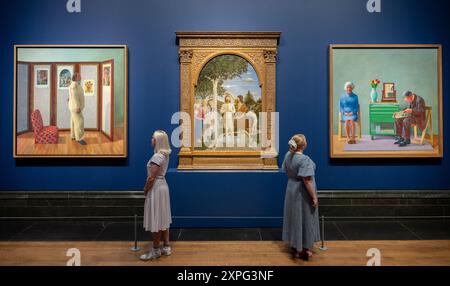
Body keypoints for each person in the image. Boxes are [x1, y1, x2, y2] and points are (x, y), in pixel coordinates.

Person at [282, 134, 320, 261]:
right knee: (305, 218)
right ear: (303, 145)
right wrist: (314, 197)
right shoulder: (304, 159)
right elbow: (307, 180)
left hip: (291, 189)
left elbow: (286, 170)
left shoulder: (288, 155)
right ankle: (303, 249)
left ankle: (294, 244)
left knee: (294, 217)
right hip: (302, 193)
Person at [140, 130, 172, 261]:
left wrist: (145, 189)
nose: (151, 140)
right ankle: (166, 246)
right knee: (163, 217)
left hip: (156, 188)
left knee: (156, 218)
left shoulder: (157, 156)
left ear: (158, 141)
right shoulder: (164, 155)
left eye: (153, 138)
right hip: (162, 185)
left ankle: (155, 250)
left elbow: (151, 178)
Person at [68, 72, 86, 145]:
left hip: (73, 106)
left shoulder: (75, 85)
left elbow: (72, 96)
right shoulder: (74, 86)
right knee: (79, 122)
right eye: (79, 76)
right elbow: (75, 97)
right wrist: (77, 107)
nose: (80, 76)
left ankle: (73, 135)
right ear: (75, 77)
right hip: (76, 107)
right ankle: (79, 138)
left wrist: (69, 99)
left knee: (73, 121)